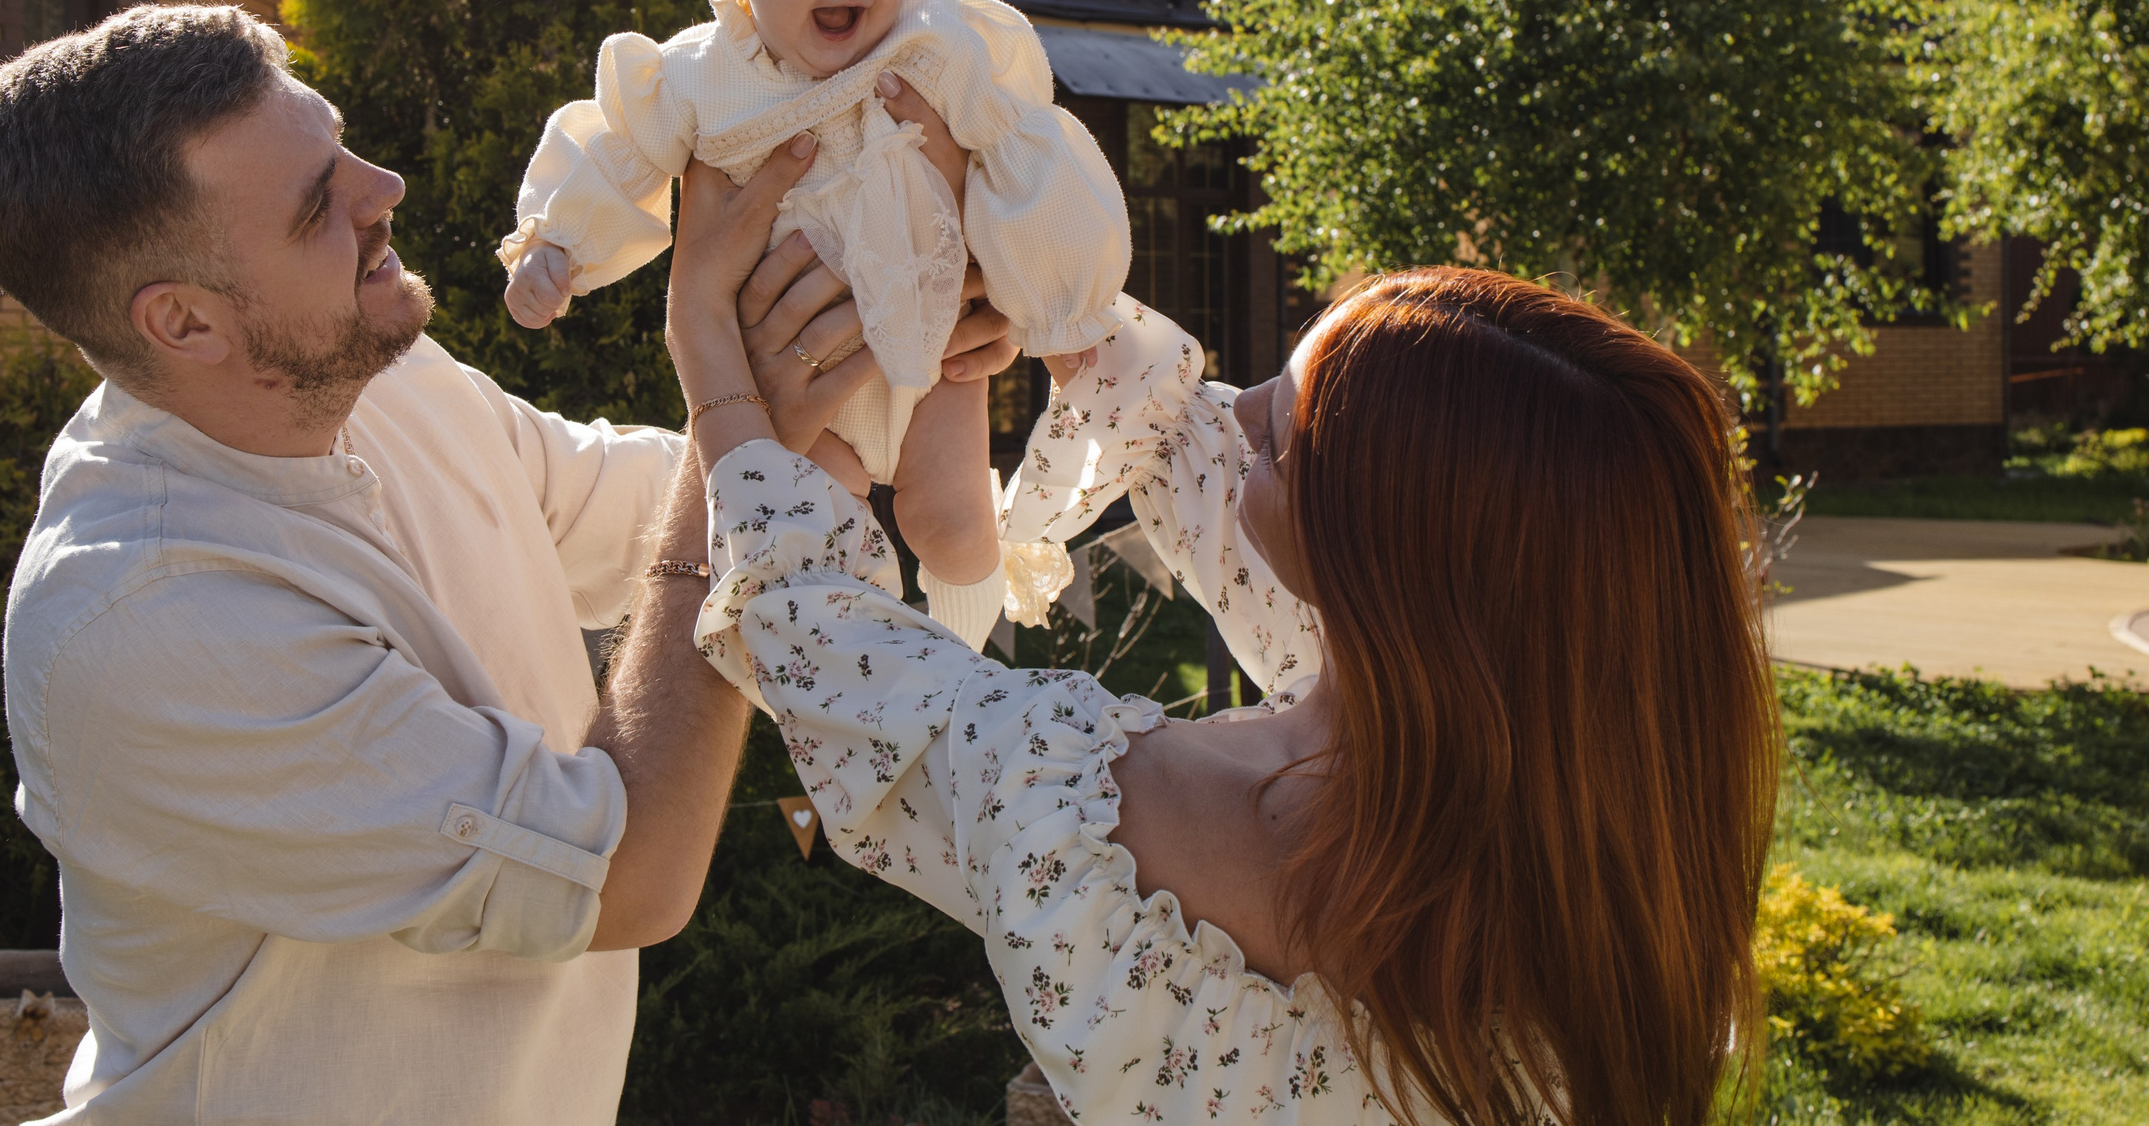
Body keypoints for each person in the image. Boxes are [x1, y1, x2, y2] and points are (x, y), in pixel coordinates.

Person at [0, 3, 1018, 1124]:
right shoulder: (148, 621)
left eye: (341, 145)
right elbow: (627, 870)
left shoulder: (384, 381)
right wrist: (733, 411)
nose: (382, 187)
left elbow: (648, 506)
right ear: (185, 324)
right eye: (316, 205)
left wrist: (898, 360)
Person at [668, 146, 1781, 1126]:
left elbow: (819, 638)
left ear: (1380, 564)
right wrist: (1049, 292)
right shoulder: (1596, 859)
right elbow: (1189, 436)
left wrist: (711, 353)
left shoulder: (1080, 810)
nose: (1241, 409)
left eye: (1286, 433)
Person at [499, 0, 1130, 647]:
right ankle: (859, 684)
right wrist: (557, 242)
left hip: (932, 352)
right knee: (813, 528)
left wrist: (1064, 307)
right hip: (791, 375)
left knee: (953, 522)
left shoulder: (933, 43)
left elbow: (1031, 162)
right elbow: (615, 149)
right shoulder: (698, 76)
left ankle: (968, 672)